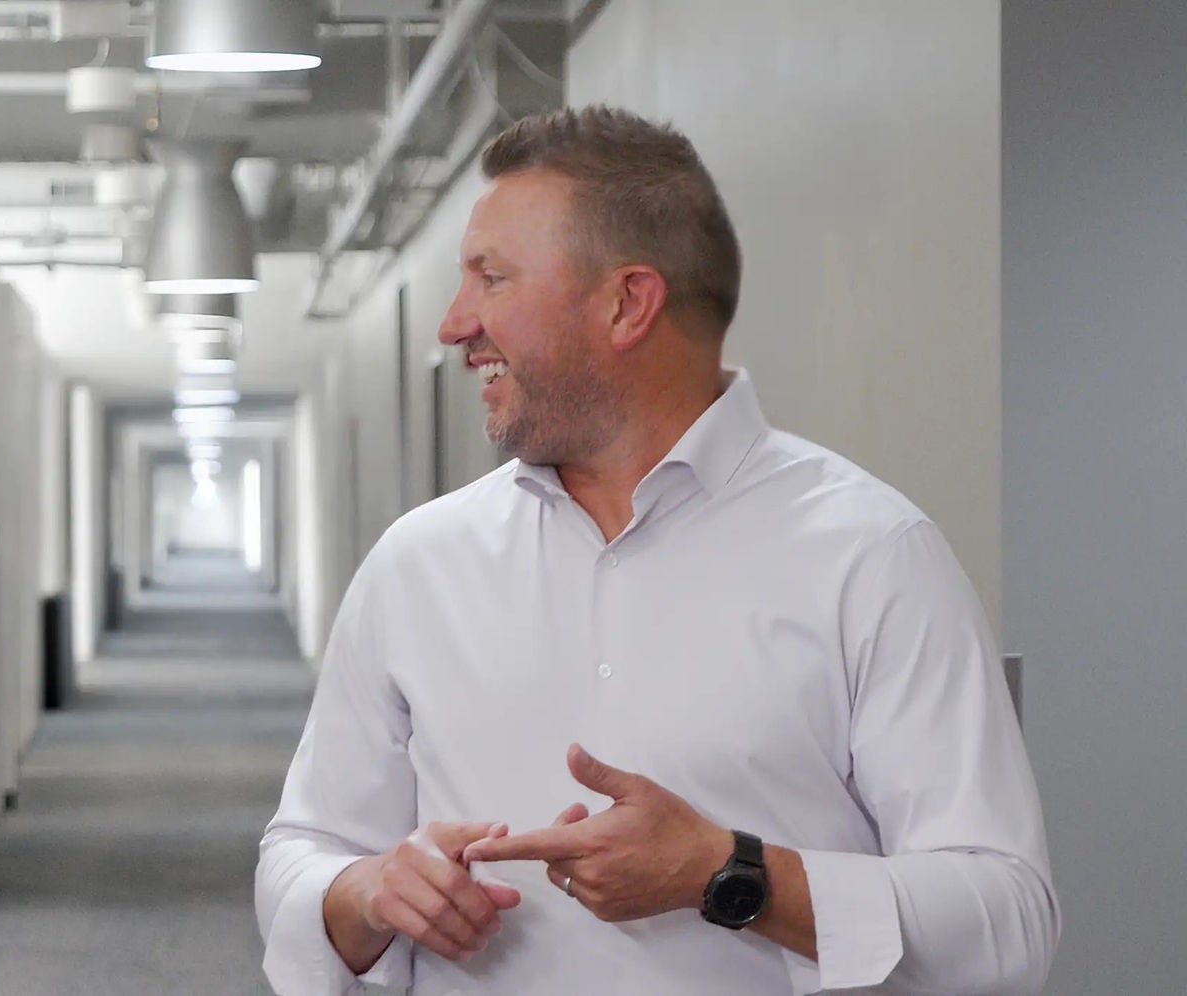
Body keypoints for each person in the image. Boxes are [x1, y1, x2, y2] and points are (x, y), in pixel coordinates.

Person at [255, 106, 1059, 995]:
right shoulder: (416, 565)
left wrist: (731, 875)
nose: (453, 325)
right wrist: (365, 890)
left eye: (492, 279)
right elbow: (302, 850)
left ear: (627, 303)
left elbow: (1008, 920)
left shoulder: (872, 555)